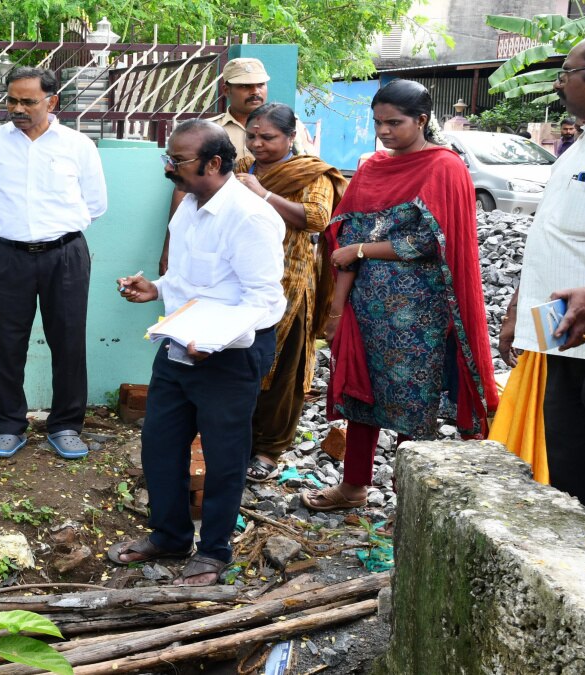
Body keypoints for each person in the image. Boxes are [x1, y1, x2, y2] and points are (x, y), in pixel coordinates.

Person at [305, 79, 499, 511]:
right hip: (366, 305)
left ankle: (409, 505)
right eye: (378, 123)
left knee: (414, 403)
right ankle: (353, 486)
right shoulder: (372, 167)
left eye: (395, 123)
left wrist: (360, 249)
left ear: (422, 121)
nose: (385, 131)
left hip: (421, 314)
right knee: (360, 392)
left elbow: (431, 241)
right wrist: (337, 308)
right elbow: (344, 242)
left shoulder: (444, 167)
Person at [107, 121, 285, 585]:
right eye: (168, 158)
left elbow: (263, 301)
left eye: (178, 160)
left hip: (229, 352)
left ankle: (214, 552)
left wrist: (214, 340)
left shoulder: (250, 217)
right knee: (160, 443)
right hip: (180, 342)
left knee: (225, 455)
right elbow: (190, 281)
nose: (169, 167)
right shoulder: (188, 205)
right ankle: (168, 536)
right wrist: (156, 288)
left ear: (213, 163)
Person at [501, 26, 585, 517]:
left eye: (567, 74)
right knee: (567, 470)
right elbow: (552, 231)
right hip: (560, 333)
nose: (558, 85)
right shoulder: (584, 142)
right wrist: (519, 305)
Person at [0, 66, 108, 460]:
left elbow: (96, 204)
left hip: (66, 256)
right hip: (6, 258)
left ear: (51, 101)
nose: (18, 108)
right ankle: (9, 424)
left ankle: (66, 425)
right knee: (6, 343)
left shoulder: (78, 146)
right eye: (12, 100)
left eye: (28, 101)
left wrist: (58, 232)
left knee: (69, 341)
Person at [232, 103, 348, 482]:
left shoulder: (312, 173)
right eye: (252, 136)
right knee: (239, 361)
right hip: (242, 277)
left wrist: (263, 194)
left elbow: (317, 218)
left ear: (291, 137)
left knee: (282, 368)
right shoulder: (240, 169)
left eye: (268, 137)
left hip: (291, 279)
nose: (257, 144)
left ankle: (268, 447)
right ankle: (235, 438)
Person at [158, 57, 309, 275]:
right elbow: (184, 190)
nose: (255, 91)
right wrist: (170, 247)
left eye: (260, 84)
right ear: (226, 89)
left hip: (288, 239)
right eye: (245, 86)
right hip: (222, 234)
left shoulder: (292, 128)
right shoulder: (209, 131)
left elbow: (307, 173)